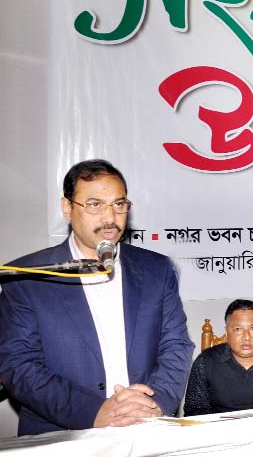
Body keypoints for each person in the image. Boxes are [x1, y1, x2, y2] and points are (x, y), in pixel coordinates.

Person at [0, 159, 194, 436]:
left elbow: (176, 346)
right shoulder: (26, 276)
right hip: (62, 435)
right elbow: (19, 366)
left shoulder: (157, 269)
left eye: (119, 204)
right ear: (67, 208)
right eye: (94, 204)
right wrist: (94, 412)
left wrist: (156, 402)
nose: (110, 218)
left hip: (146, 428)